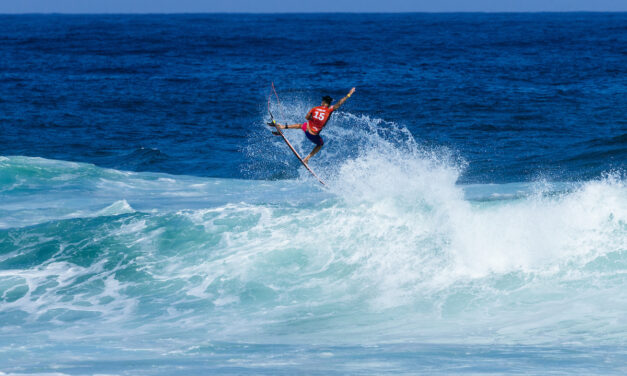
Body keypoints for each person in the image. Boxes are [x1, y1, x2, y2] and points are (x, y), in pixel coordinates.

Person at [269, 87, 356, 164]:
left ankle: (283, 127)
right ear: (328, 104)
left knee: (301, 125)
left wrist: (313, 118)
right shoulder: (329, 110)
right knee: (320, 144)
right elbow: (340, 103)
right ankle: (307, 159)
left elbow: (307, 117)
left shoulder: (314, 108)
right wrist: (349, 94)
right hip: (313, 134)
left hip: (307, 129)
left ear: (323, 102)